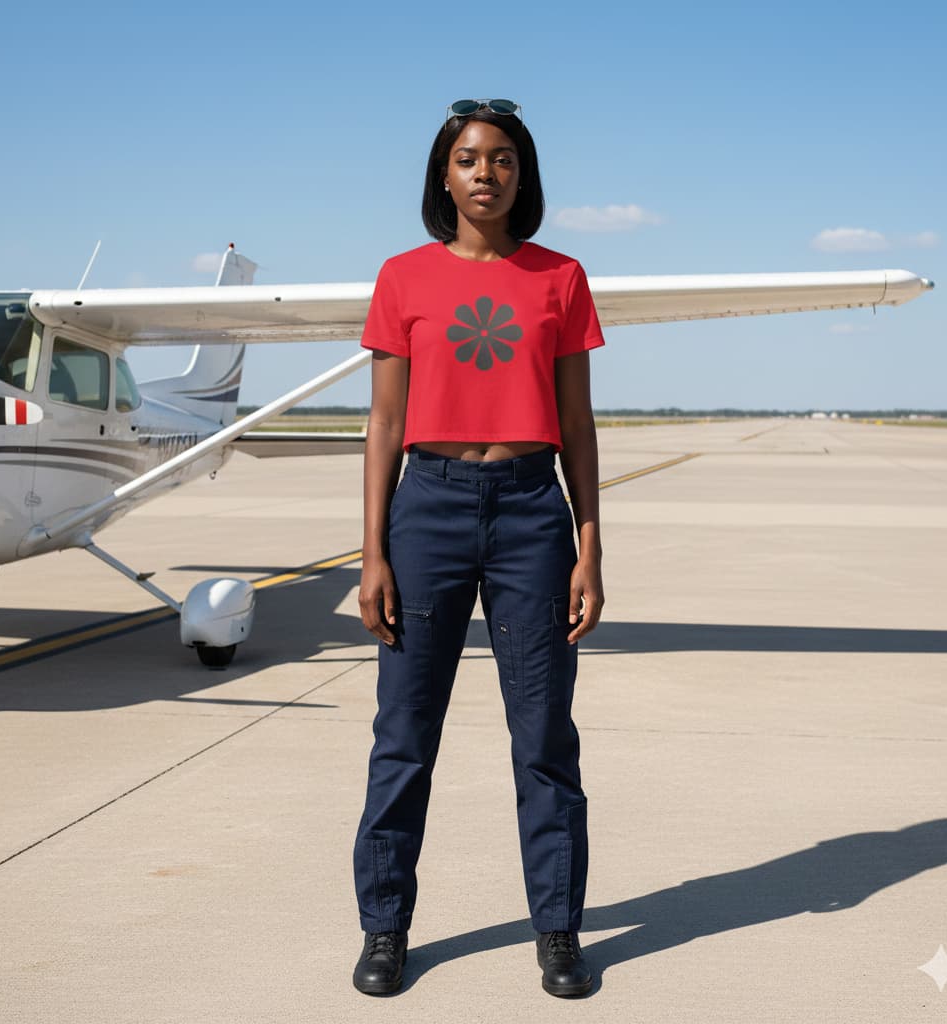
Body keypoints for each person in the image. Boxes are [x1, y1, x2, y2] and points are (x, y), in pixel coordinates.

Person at [352, 98, 605, 998]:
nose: (485, 173)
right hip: (428, 510)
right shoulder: (402, 278)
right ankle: (385, 929)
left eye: (502, 159)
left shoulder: (561, 278)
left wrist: (589, 545)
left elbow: (578, 423)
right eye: (468, 159)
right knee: (404, 735)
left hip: (533, 511)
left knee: (544, 738)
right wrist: (373, 551)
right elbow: (385, 425)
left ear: (522, 175)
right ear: (444, 176)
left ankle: (559, 931)